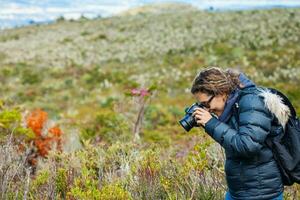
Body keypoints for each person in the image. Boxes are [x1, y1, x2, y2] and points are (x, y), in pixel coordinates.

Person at [190, 67, 291, 200]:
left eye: (206, 104)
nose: (208, 110)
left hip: (262, 194)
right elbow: (232, 140)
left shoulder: (252, 101)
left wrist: (211, 123)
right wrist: (208, 124)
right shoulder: (232, 106)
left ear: (220, 92)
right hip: (238, 192)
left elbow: (247, 145)